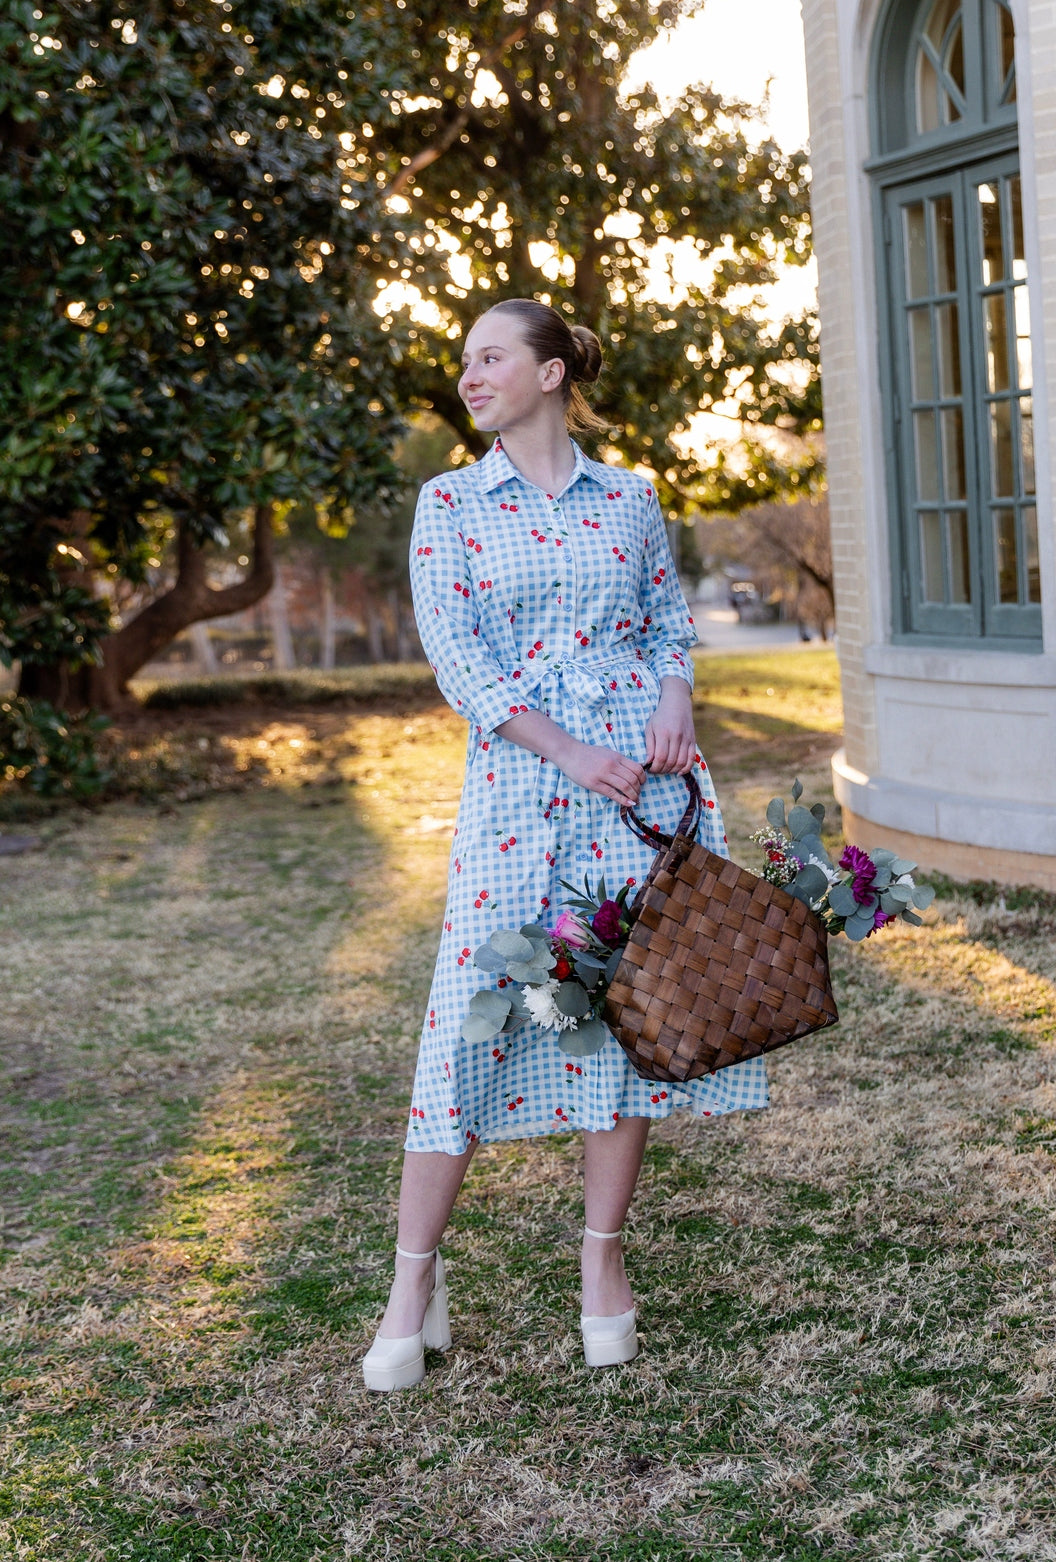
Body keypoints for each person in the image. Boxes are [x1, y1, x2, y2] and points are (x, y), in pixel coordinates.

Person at [361, 298, 770, 1392]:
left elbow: (664, 622)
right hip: (522, 788)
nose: (468, 374)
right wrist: (568, 749)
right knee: (463, 1028)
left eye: (489, 356)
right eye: (463, 361)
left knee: (619, 1020)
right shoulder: (447, 502)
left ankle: (601, 1263)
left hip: (637, 790)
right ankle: (413, 1277)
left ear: (549, 373)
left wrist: (674, 699)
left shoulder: (631, 497)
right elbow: (460, 662)